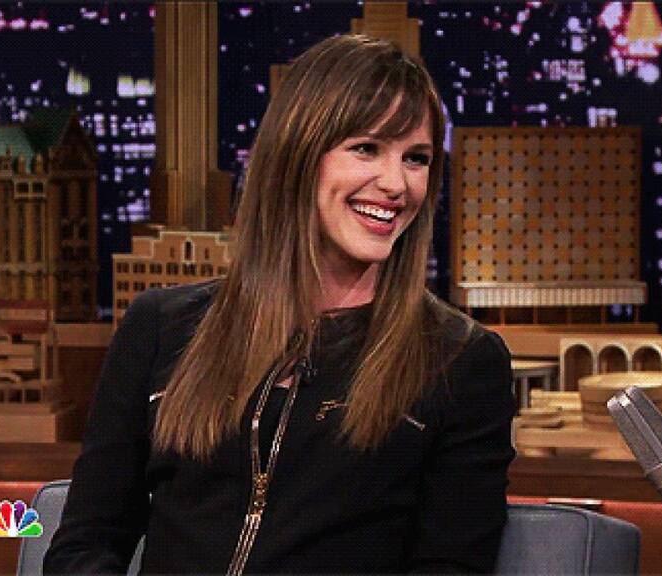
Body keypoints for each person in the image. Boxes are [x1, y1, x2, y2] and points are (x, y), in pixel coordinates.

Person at [44, 34, 515, 574]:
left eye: (416, 158)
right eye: (367, 148)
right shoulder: (161, 328)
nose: (396, 184)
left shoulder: (459, 362)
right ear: (297, 154)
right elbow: (85, 545)